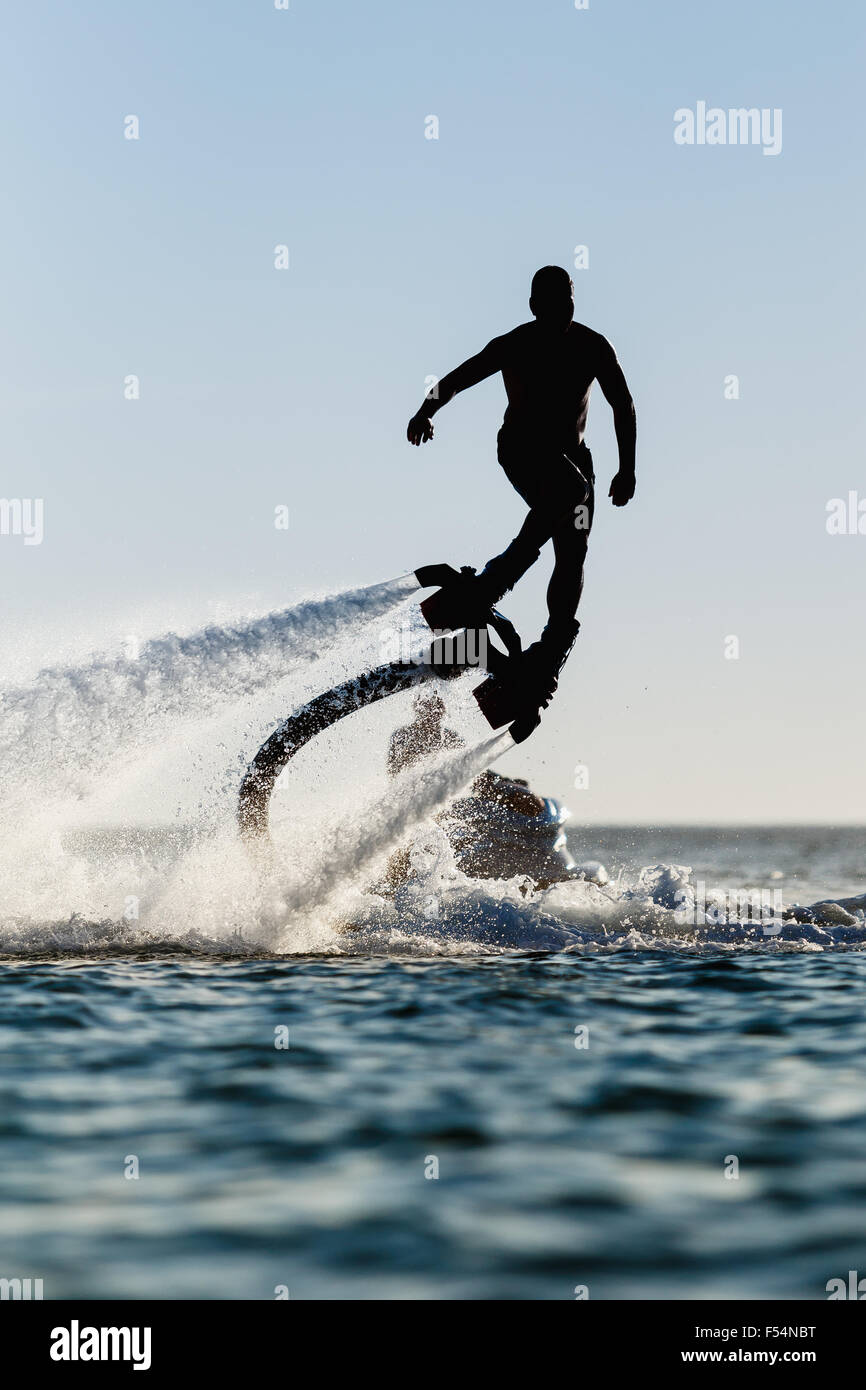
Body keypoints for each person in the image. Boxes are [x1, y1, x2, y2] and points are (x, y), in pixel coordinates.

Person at [407, 265, 636, 707]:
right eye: (550, 305)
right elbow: (458, 378)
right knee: (570, 493)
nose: (560, 312)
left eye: (567, 302)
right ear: (533, 307)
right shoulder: (515, 344)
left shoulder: (592, 346)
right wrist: (424, 412)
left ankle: (549, 651)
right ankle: (490, 584)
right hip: (521, 451)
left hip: (575, 462)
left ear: (574, 302)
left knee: (574, 549)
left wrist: (627, 469)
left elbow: (622, 404)